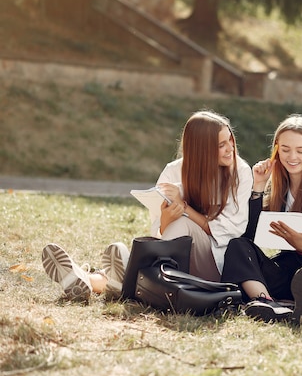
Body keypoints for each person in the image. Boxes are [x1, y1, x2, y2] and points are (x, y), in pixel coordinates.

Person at [42, 110, 253, 301]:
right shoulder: (173, 171)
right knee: (173, 226)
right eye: (221, 145)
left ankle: (114, 274)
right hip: (176, 259)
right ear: (202, 149)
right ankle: (86, 280)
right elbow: (159, 230)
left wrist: (185, 208)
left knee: (180, 224)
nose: (230, 148)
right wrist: (165, 218)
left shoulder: (240, 172)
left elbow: (231, 230)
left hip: (215, 264)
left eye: (230, 140)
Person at [221, 114, 302, 329]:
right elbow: (250, 236)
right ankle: (265, 303)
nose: (292, 157)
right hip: (289, 269)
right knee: (238, 246)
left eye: (300, 151)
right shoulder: (278, 188)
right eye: (285, 149)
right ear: (276, 150)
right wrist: (258, 188)